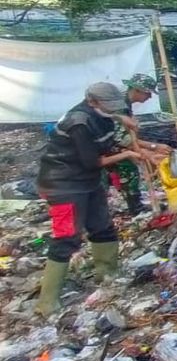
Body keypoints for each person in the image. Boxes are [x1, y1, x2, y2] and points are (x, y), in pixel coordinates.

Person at [35, 83, 146, 316]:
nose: (112, 110)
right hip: (63, 184)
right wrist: (127, 154)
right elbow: (90, 161)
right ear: (92, 101)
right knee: (66, 237)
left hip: (89, 182)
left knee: (102, 226)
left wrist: (122, 120)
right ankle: (47, 302)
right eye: (109, 107)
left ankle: (108, 275)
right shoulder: (79, 123)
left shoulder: (101, 115)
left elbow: (108, 139)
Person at [112, 73, 167, 214]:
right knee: (128, 168)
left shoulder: (125, 103)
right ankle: (134, 206)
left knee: (131, 165)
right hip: (99, 146)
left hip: (113, 143)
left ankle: (134, 203)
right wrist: (148, 151)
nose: (149, 97)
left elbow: (130, 136)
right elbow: (122, 139)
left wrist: (150, 148)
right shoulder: (119, 106)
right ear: (136, 90)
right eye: (147, 93)